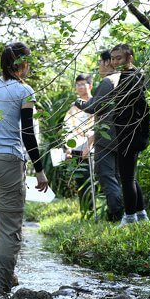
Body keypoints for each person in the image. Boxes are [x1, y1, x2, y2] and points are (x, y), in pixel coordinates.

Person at [0, 42, 48, 295]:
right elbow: (27, 132)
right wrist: (39, 168)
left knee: (1, 211)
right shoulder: (24, 91)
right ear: (22, 63)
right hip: (7, 160)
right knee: (10, 225)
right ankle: (1, 286)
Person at [75, 51, 124, 221]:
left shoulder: (108, 81)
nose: (99, 67)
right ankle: (129, 215)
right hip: (124, 136)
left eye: (99, 63)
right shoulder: (126, 79)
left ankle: (116, 217)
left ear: (107, 63)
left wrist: (78, 101)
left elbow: (92, 107)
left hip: (107, 136)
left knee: (106, 176)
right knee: (120, 177)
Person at [110, 44, 150, 227]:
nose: (115, 61)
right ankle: (141, 215)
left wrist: (140, 134)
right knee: (129, 176)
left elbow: (141, 108)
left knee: (125, 176)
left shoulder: (131, 77)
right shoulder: (128, 76)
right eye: (113, 58)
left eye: (119, 58)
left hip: (130, 133)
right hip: (128, 132)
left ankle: (130, 217)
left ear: (130, 58)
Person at [63, 73, 94, 214]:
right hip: (76, 147)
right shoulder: (73, 106)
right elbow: (68, 127)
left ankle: (94, 211)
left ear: (90, 85)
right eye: (78, 84)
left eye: (83, 84)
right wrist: (68, 148)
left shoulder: (95, 103)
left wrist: (89, 146)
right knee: (80, 180)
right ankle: (84, 211)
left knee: (91, 180)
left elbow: (96, 127)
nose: (80, 87)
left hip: (91, 148)